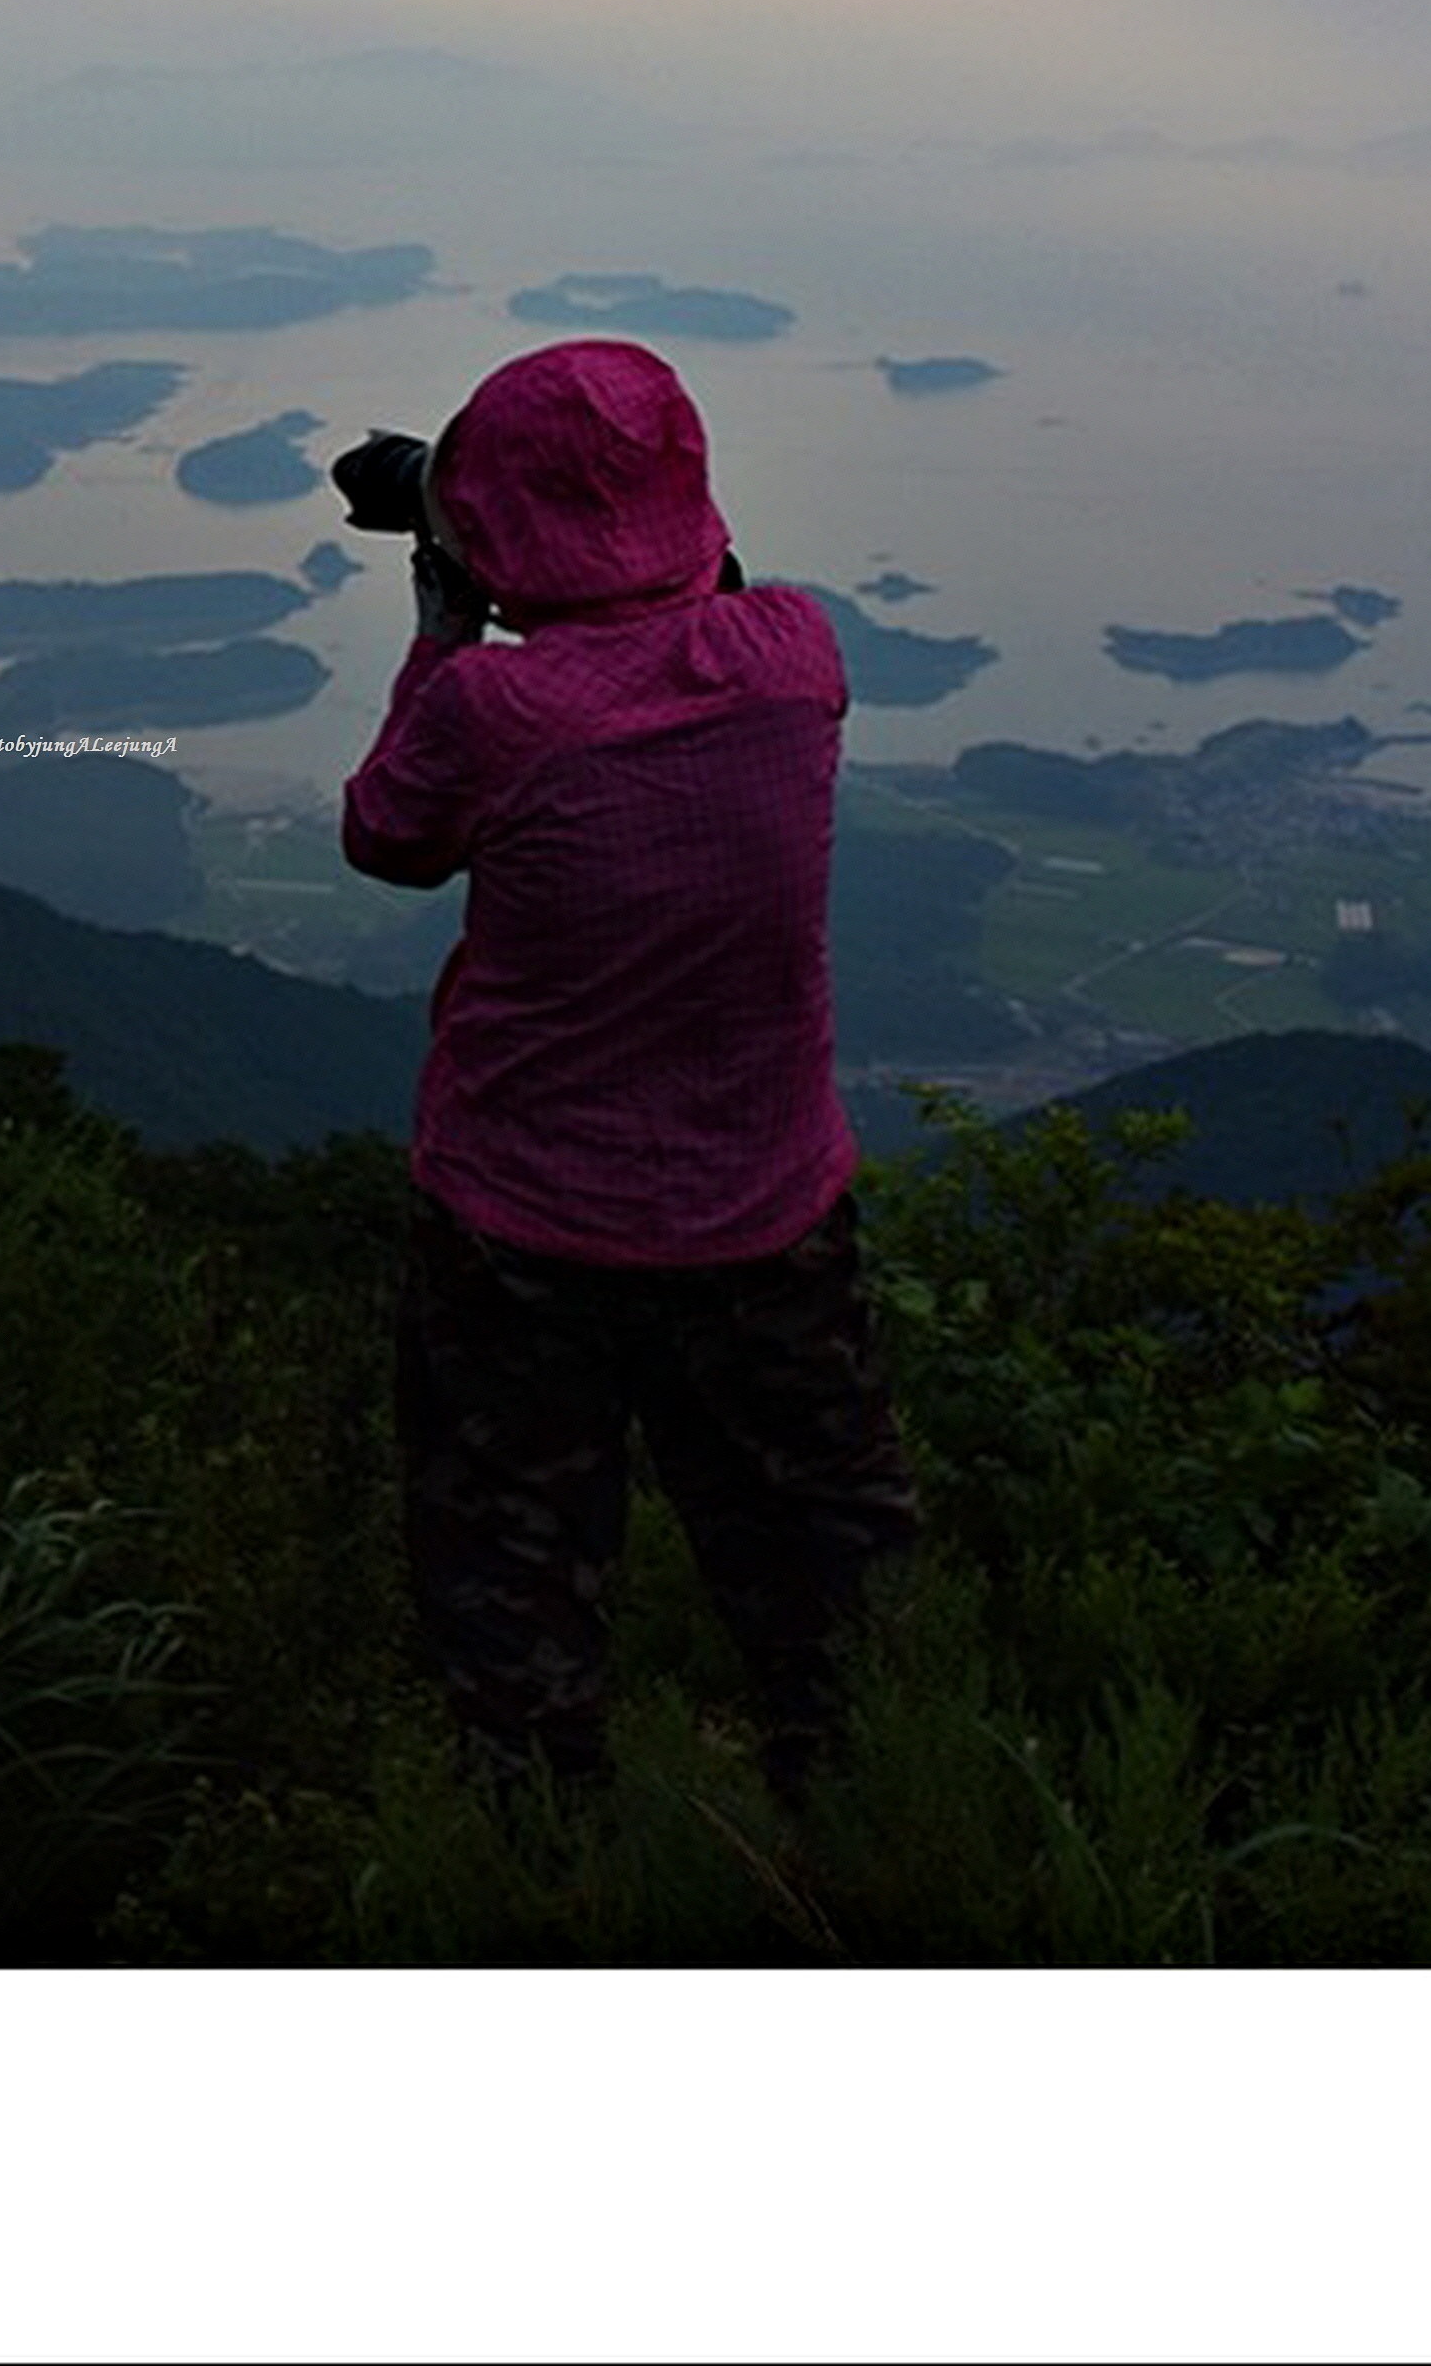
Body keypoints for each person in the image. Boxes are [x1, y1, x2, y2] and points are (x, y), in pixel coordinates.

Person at [336, 338, 917, 1799]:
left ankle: (544, 1864)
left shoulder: (490, 712)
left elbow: (388, 836)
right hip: (769, 1218)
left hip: (520, 1235)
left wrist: (444, 617)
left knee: (515, 1595)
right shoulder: (797, 659)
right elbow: (696, 605)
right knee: (834, 1592)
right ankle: (872, 1836)